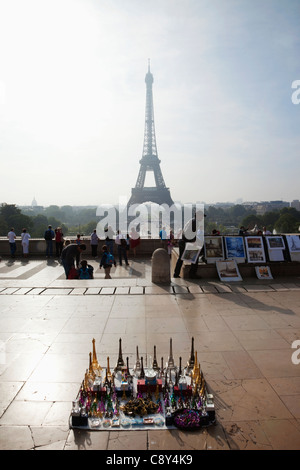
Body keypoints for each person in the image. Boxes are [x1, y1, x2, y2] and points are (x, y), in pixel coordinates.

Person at [173, 211, 206, 279]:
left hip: (183, 241)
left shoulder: (192, 220)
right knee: (195, 257)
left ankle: (176, 274)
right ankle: (192, 274)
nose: (202, 218)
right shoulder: (195, 222)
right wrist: (194, 242)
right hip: (186, 241)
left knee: (181, 258)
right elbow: (189, 234)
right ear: (198, 216)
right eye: (202, 216)